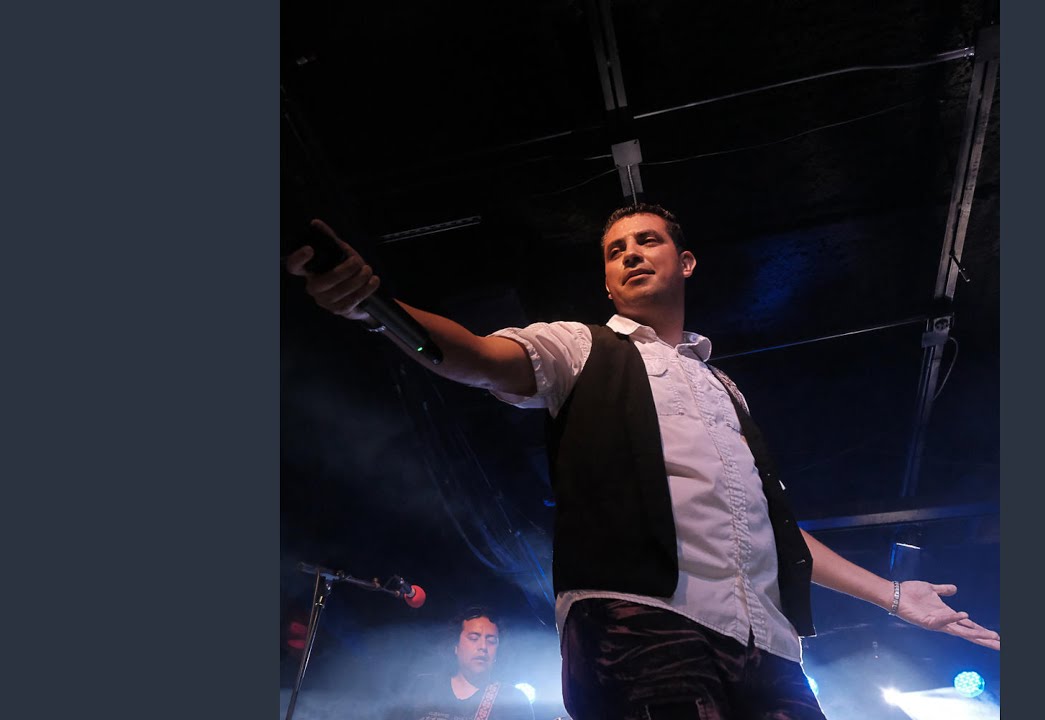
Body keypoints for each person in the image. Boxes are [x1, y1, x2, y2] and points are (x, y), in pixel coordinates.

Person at [285, 203, 1000, 720]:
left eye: (647, 240)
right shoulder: (579, 346)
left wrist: (895, 596)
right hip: (642, 621)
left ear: (684, 262)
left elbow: (773, 530)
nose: (630, 254)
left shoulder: (728, 391)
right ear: (606, 281)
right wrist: (375, 308)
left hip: (769, 640)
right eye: (615, 250)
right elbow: (475, 356)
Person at [387, 607, 534, 720]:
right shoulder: (423, 687)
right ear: (455, 645)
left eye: (491, 641)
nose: (483, 647)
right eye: (474, 638)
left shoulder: (512, 700)